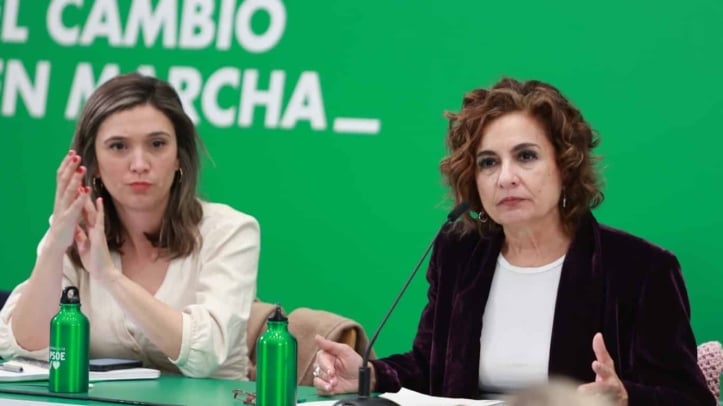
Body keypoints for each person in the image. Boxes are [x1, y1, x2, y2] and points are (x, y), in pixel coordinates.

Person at [312, 78, 715, 405]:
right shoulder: (460, 253)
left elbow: (690, 398)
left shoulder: (639, 270)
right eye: (488, 162)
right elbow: (428, 365)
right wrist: (370, 374)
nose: (505, 178)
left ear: (565, 167)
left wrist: (626, 398)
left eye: (526, 156)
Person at [0, 73, 259, 380]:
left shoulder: (230, 231)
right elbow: (23, 348)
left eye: (157, 144)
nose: (139, 164)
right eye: (118, 146)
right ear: (93, 163)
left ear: (179, 156)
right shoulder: (76, 231)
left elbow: (206, 354)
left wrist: (110, 277)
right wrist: (56, 244)